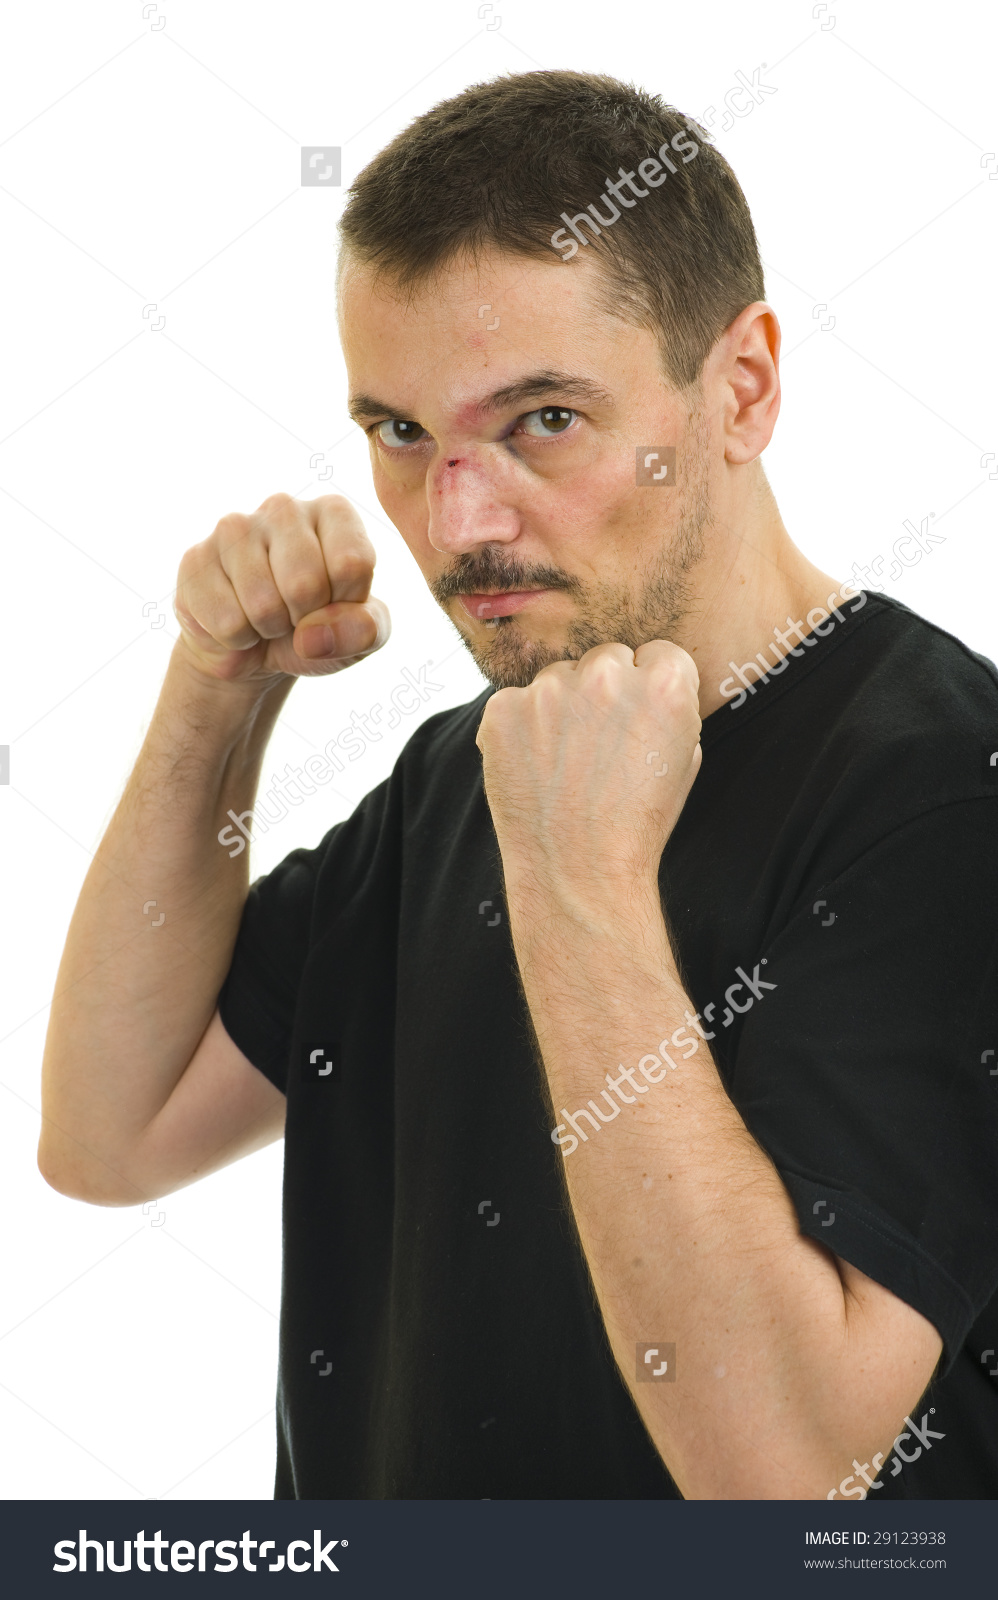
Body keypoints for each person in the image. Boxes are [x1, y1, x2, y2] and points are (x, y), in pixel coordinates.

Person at [40, 70, 998, 1500]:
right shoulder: (465, 770)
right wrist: (215, 691)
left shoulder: (939, 791)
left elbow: (786, 1477)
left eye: (542, 419)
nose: (457, 521)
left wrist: (581, 885)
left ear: (738, 388)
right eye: (401, 433)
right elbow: (109, 1136)